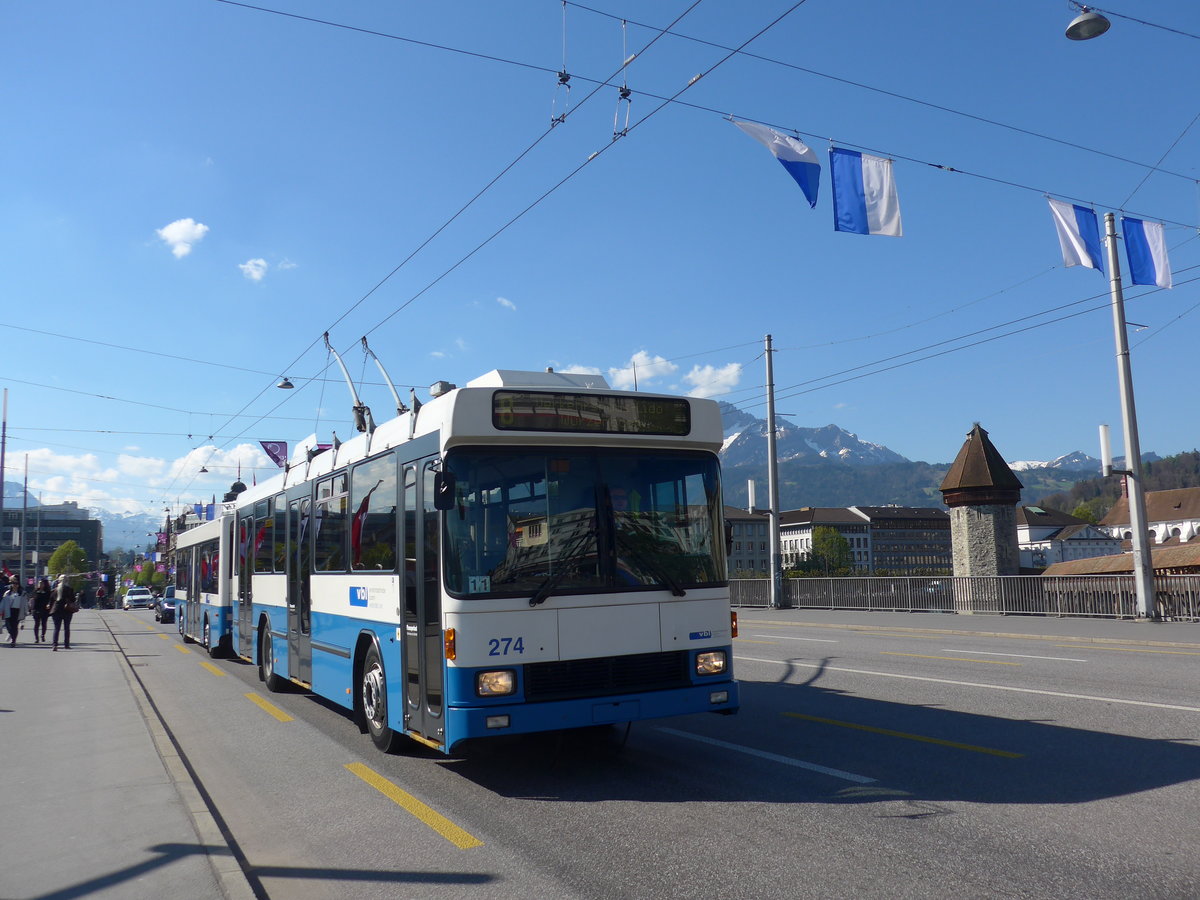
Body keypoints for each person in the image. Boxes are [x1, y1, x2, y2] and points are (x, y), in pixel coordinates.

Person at [50, 576, 77, 651]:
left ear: (59, 581)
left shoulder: (54, 590)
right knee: (67, 628)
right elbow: (73, 599)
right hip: (67, 610)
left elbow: (51, 600)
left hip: (56, 610)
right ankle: (66, 644)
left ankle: (55, 645)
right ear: (66, 581)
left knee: (56, 628)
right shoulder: (69, 589)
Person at [1, 578, 26, 647]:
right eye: (13, 584)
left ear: (18, 585)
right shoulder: (7, 593)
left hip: (17, 611)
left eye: (16, 584)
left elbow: (24, 603)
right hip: (8, 610)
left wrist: (26, 611)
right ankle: (11, 634)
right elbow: (3, 602)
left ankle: (13, 640)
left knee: (15, 626)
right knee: (8, 625)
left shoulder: (22, 593)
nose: (15, 585)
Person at [31, 577, 52, 642]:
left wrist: (48, 605)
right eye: (39, 583)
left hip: (44, 610)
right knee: (36, 624)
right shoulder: (35, 591)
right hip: (36, 609)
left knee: (44, 623)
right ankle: (36, 638)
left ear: (44, 584)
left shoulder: (48, 592)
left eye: (41, 583)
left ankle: (43, 635)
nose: (40, 585)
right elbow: (32, 599)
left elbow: (50, 600)